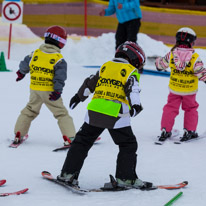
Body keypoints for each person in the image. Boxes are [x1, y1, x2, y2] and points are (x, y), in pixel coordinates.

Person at [57, 41, 153, 190]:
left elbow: (90, 83)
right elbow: (132, 89)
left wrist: (78, 97)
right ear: (134, 59)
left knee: (81, 142)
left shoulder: (105, 66)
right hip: (115, 115)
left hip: (94, 112)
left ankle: (67, 174)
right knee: (128, 144)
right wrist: (135, 106)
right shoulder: (129, 71)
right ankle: (126, 178)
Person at [13, 25, 76, 146]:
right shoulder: (58, 59)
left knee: (29, 110)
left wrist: (21, 73)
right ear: (61, 42)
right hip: (50, 92)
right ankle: (70, 137)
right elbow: (60, 77)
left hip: (35, 89)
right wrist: (57, 91)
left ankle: (19, 133)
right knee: (61, 113)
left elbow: (25, 64)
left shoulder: (35, 54)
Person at [155, 27, 206, 143]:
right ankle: (190, 130)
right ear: (192, 42)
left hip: (174, 89)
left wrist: (158, 62)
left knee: (170, 108)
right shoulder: (194, 57)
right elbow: (200, 72)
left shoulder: (172, 54)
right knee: (191, 109)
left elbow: (161, 65)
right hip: (189, 91)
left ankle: (165, 130)